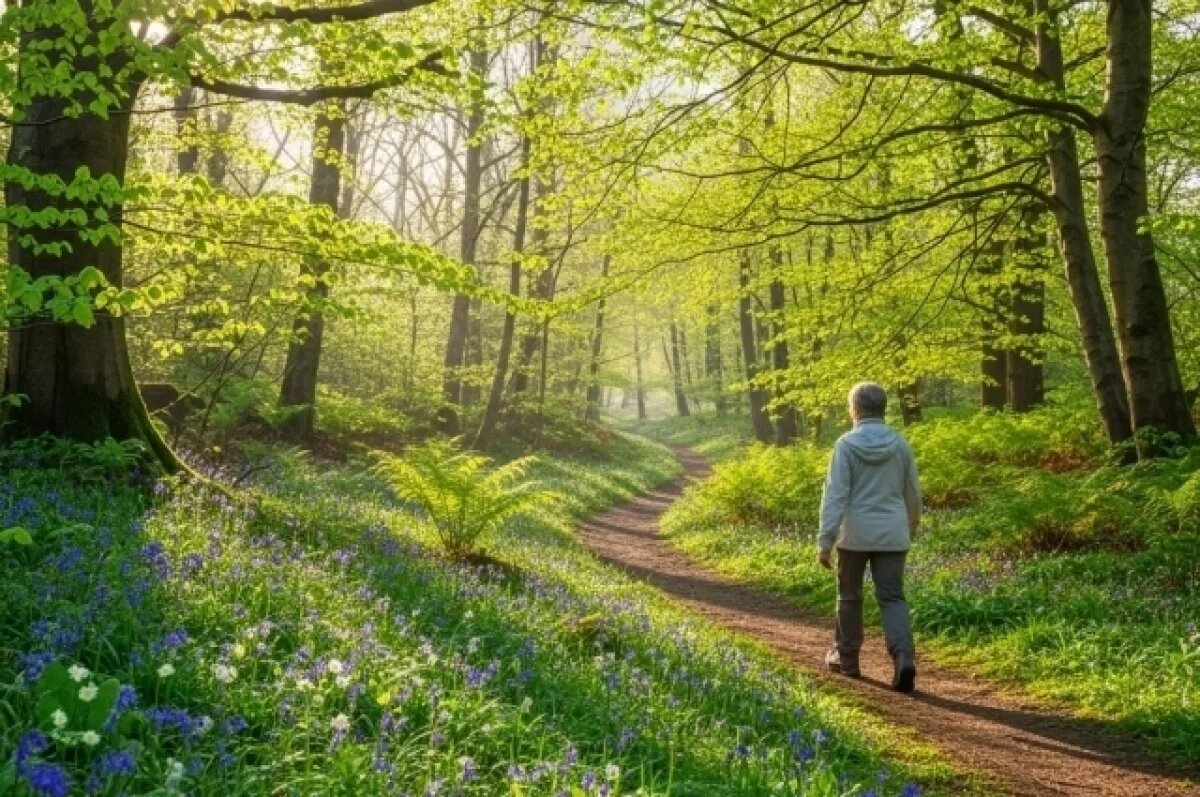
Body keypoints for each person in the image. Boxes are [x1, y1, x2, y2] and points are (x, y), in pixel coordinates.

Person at [817, 382, 922, 692]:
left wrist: (825, 540)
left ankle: (847, 660)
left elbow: (835, 495)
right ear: (883, 408)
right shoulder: (900, 444)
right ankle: (903, 657)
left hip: (855, 535)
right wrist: (910, 526)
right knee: (892, 598)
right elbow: (913, 492)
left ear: (855, 409)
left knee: (849, 596)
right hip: (892, 532)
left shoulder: (846, 445)